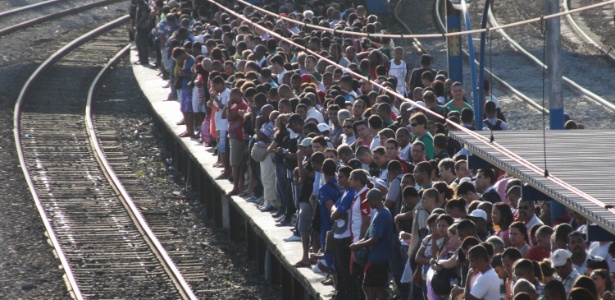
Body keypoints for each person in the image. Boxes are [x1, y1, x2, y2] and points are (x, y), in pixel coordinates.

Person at [350, 188, 394, 300]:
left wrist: (358, 245)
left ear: (375, 200)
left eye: (369, 201)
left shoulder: (382, 215)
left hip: (378, 257)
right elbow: (370, 235)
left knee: (368, 286)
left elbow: (376, 239)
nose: (368, 204)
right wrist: (359, 242)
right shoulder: (381, 213)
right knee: (377, 286)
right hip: (379, 256)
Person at [134, 0, 150, 65]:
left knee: (143, 44)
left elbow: (144, 15)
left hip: (142, 28)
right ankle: (141, 58)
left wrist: (138, 24)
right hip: (140, 28)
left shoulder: (143, 5)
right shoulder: (140, 5)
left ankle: (144, 59)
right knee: (138, 43)